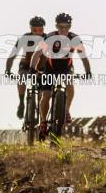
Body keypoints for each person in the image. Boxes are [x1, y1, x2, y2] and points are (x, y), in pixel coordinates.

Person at [30, 12, 92, 140]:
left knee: (69, 82)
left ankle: (67, 110)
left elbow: (83, 56)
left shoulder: (74, 38)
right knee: (45, 95)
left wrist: (88, 71)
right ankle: (43, 121)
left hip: (66, 69)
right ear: (57, 26)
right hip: (50, 69)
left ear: (69, 27)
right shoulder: (49, 37)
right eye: (61, 27)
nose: (64, 30)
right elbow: (37, 54)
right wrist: (32, 68)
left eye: (66, 27)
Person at [5, 16, 46, 118]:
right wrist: (8, 70)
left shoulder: (47, 38)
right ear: (30, 29)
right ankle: (21, 103)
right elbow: (12, 55)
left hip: (41, 67)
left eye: (40, 30)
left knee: (43, 88)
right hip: (26, 65)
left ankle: (40, 107)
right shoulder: (24, 38)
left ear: (43, 29)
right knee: (21, 78)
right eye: (34, 30)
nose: (37, 32)